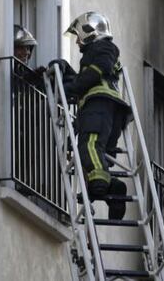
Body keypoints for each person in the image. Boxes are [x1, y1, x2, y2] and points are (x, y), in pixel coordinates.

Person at [49, 12, 131, 220]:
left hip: (100, 104)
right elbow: (89, 78)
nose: (77, 41)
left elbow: (96, 72)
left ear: (90, 32)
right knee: (93, 155)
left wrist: (74, 86)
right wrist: (68, 76)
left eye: (78, 35)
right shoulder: (98, 52)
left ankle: (101, 186)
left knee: (90, 147)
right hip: (104, 109)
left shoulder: (103, 48)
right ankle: (114, 190)